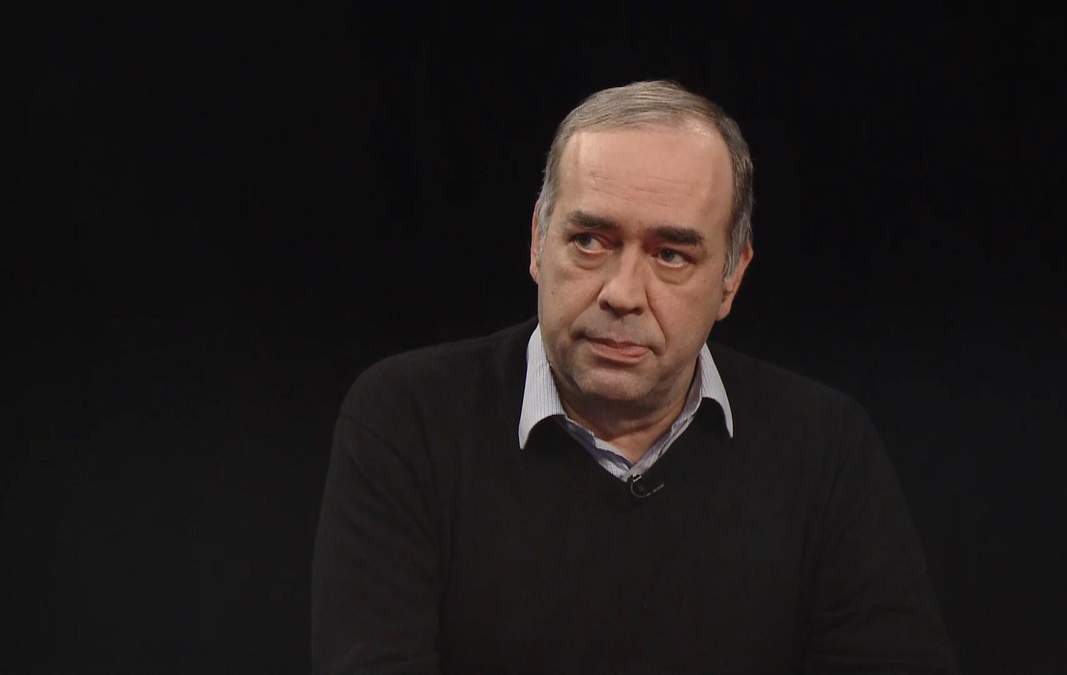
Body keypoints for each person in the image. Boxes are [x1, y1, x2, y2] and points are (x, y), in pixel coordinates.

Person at [312, 80, 957, 674]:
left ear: (731, 277)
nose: (622, 293)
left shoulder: (825, 447)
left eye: (671, 255)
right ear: (538, 241)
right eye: (590, 241)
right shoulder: (408, 420)